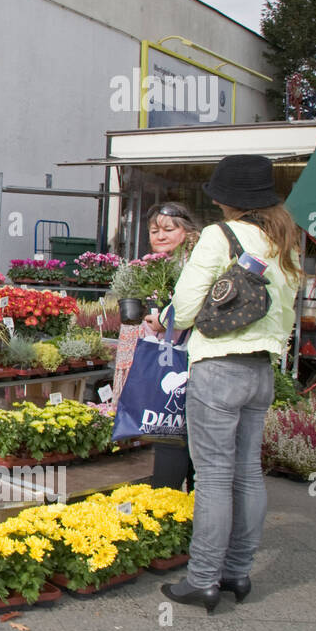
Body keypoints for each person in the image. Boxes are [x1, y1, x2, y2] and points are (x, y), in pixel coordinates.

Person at [152, 156, 301, 612]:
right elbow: (287, 314)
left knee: (214, 476)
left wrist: (163, 322)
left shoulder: (221, 236)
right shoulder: (282, 241)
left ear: (223, 198)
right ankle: (237, 573)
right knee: (247, 472)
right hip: (261, 371)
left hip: (218, 369)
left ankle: (202, 580)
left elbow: (187, 304)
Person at [111, 201, 200, 490]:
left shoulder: (192, 266)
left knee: (176, 436)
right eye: (154, 230)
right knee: (173, 433)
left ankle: (173, 504)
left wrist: (160, 319)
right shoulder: (155, 267)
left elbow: (185, 311)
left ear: (186, 231)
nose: (160, 236)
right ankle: (177, 505)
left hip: (187, 360)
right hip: (169, 359)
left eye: (168, 229)